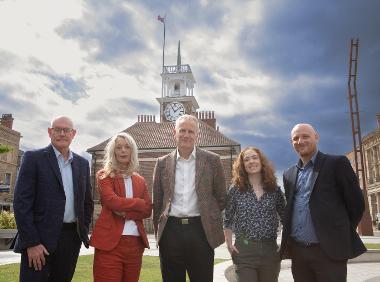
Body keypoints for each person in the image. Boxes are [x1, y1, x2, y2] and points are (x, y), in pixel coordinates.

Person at [280, 123, 366, 282]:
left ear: (316, 137)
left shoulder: (337, 163)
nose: (300, 141)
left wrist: (337, 231)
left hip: (329, 252)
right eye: (295, 138)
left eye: (305, 136)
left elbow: (357, 204)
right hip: (299, 254)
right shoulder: (288, 174)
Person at [13, 116, 94, 282]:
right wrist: (32, 242)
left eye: (67, 130)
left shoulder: (82, 164)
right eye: (57, 129)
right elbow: (22, 204)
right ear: (50, 132)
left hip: (70, 240)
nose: (62, 133)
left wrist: (81, 232)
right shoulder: (33, 158)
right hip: (39, 241)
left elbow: (87, 203)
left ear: (74, 134)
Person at [153, 114, 226, 282]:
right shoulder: (162, 162)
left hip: (201, 231)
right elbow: (157, 201)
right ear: (175, 133)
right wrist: (160, 234)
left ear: (197, 135)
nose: (186, 135)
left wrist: (209, 215)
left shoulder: (212, 160)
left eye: (191, 131)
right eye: (182, 130)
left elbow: (221, 197)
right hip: (170, 231)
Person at [90, 132, 152, 282]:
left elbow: (147, 209)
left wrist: (127, 213)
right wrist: (138, 202)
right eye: (119, 147)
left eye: (127, 147)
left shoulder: (140, 180)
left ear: (132, 151)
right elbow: (112, 201)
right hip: (109, 245)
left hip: (135, 245)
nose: (123, 150)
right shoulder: (104, 176)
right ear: (113, 151)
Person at [224, 146, 285, 282]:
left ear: (261, 161)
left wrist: (284, 244)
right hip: (244, 250)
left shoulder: (274, 190)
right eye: (246, 159)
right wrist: (228, 243)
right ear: (242, 165)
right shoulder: (235, 189)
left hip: (270, 250)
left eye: (254, 158)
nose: (251, 161)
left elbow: (286, 217)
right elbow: (228, 218)